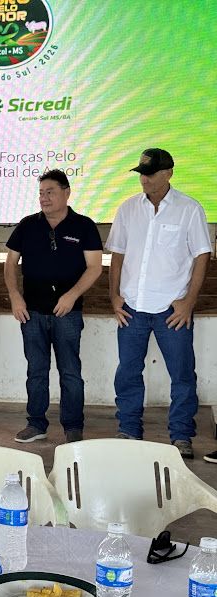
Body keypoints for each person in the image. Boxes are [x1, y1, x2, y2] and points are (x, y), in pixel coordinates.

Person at [105, 149, 211, 460]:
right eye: (141, 173)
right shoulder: (128, 209)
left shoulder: (189, 209)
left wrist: (188, 301)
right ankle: (128, 429)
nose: (144, 179)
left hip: (171, 310)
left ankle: (180, 436)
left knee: (182, 374)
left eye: (149, 174)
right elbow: (118, 255)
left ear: (169, 173)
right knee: (127, 371)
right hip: (132, 308)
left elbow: (202, 255)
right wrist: (114, 296)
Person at [5, 169, 103, 444]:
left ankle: (73, 426)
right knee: (36, 370)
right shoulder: (27, 225)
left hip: (67, 313)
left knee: (70, 371)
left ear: (67, 192)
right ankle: (36, 423)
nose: (44, 198)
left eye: (50, 192)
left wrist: (71, 296)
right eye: (41, 193)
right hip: (31, 312)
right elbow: (10, 263)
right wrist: (15, 296)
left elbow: (95, 268)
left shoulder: (84, 226)